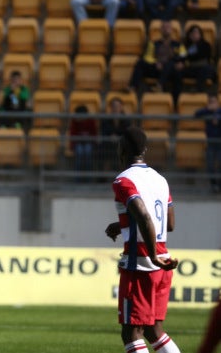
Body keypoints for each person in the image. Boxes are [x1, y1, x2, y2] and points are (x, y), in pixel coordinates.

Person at [105, 126, 181, 353]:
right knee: (153, 330)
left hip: (142, 263)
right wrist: (122, 225)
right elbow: (168, 225)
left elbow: (145, 217)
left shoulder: (123, 181)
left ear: (122, 149)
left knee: (131, 333)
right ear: (145, 150)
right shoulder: (160, 179)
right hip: (162, 262)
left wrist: (153, 256)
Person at [128, 20, 185, 103]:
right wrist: (155, 62)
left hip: (172, 71)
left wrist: (182, 63)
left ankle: (165, 91)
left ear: (172, 30)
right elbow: (147, 56)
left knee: (173, 65)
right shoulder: (153, 43)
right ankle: (133, 86)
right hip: (157, 69)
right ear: (161, 30)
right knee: (140, 62)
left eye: (168, 27)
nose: (166, 29)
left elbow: (183, 56)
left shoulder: (178, 45)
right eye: (164, 27)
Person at [194, 93, 221, 193]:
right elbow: (196, 114)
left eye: (214, 102)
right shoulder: (207, 111)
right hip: (210, 143)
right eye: (211, 102)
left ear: (218, 103)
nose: (213, 104)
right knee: (210, 165)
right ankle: (213, 185)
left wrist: (217, 117)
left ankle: (219, 185)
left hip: (220, 143)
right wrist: (208, 109)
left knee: (220, 164)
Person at [99, 97, 132, 171]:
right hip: (108, 145)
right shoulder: (105, 120)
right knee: (102, 149)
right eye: (114, 106)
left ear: (121, 107)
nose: (116, 108)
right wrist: (110, 137)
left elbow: (127, 135)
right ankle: (102, 177)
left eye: (118, 106)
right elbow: (103, 133)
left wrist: (118, 138)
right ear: (111, 108)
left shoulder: (127, 121)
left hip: (121, 146)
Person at [181, 24, 217, 92]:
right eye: (193, 33)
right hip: (192, 68)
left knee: (206, 70)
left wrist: (195, 48)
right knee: (177, 70)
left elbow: (202, 55)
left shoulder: (206, 44)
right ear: (189, 35)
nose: (194, 34)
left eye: (196, 32)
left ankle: (199, 91)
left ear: (200, 34)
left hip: (204, 67)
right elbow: (184, 57)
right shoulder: (185, 46)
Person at [68, 105, 98, 175]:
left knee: (88, 151)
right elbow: (72, 134)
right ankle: (78, 177)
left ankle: (88, 176)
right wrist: (72, 146)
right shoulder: (74, 121)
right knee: (79, 151)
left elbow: (94, 134)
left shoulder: (91, 121)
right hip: (78, 144)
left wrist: (93, 143)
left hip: (89, 143)